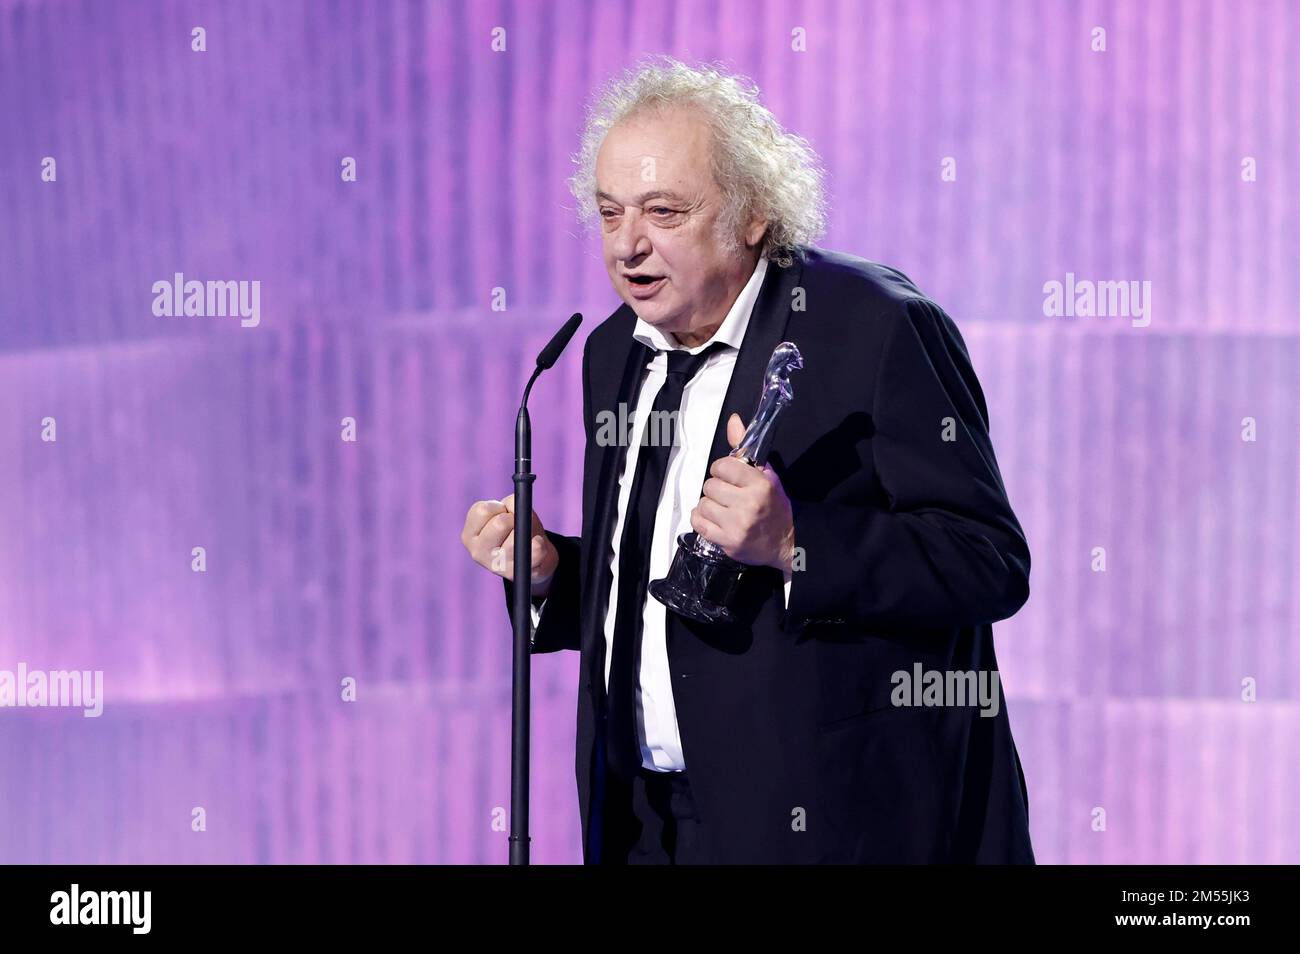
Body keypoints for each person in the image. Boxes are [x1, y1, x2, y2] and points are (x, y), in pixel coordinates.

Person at [461, 58, 1034, 864]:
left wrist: (796, 543)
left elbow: (990, 563)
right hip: (642, 824)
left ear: (754, 213)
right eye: (610, 212)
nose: (629, 245)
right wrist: (557, 573)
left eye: (665, 211)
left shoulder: (874, 327)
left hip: (828, 824)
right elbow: (677, 580)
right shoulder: (610, 356)